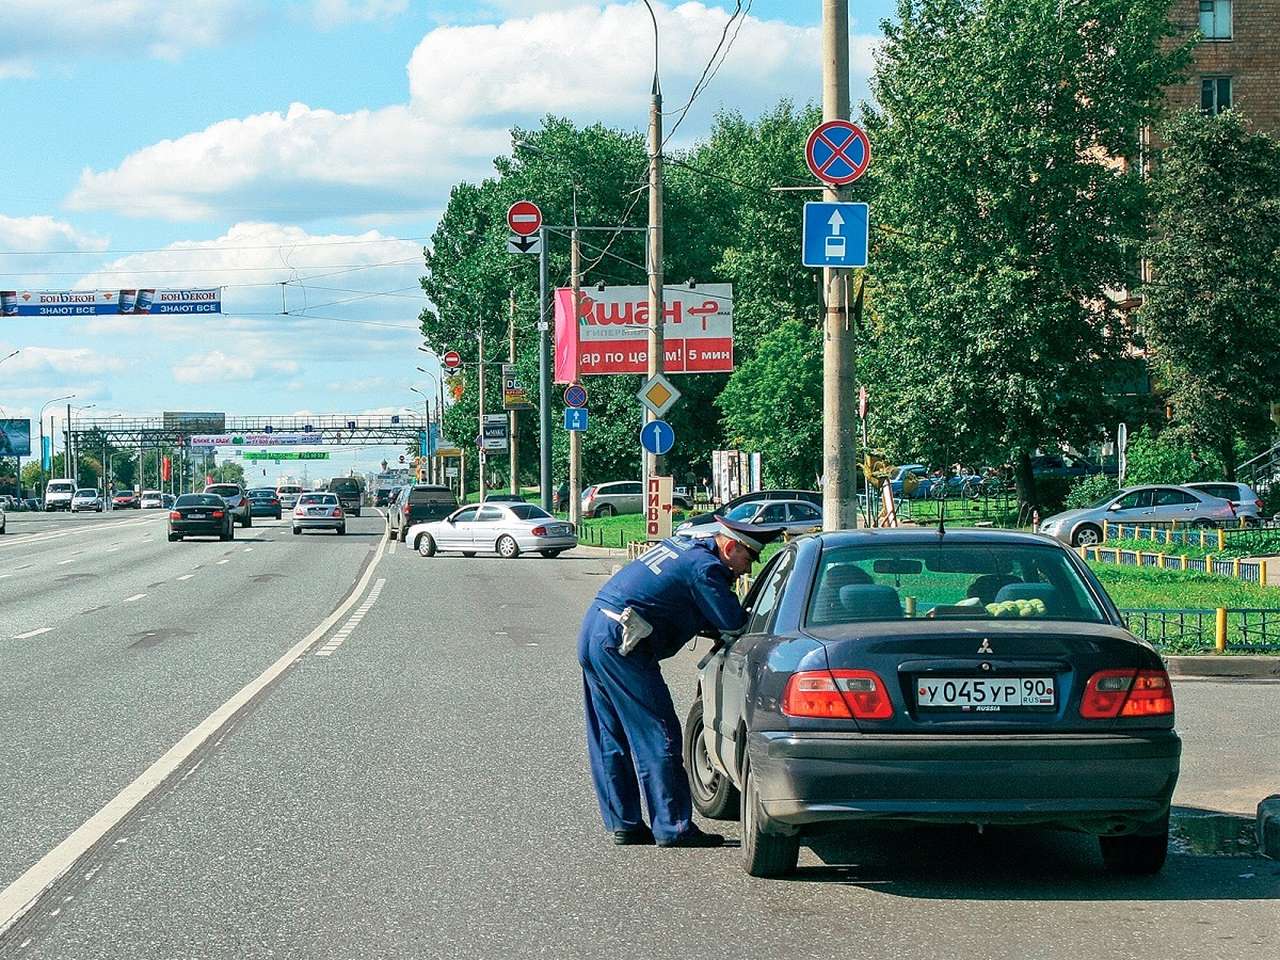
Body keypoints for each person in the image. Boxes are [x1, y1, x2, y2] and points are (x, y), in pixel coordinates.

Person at [576, 518, 784, 847]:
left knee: (608, 734)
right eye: (748, 559)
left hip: (596, 631)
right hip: (623, 644)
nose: (746, 570)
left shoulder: (685, 547)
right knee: (659, 732)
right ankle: (673, 826)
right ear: (730, 547)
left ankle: (625, 822)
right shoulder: (706, 568)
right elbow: (733, 622)